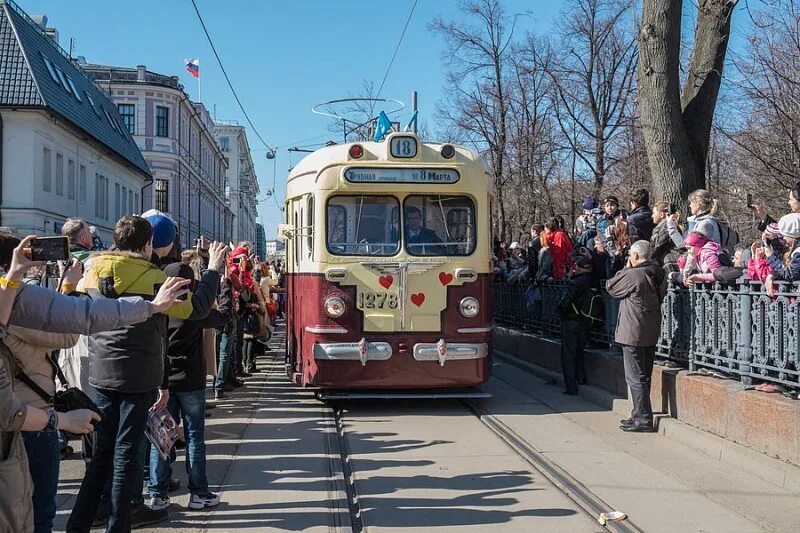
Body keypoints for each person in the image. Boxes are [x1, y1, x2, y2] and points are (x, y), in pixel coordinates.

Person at [0, 235, 189, 533]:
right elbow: (73, 328)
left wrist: (14, 277)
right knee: (37, 515)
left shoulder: (17, 292)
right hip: (31, 419)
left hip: (98, 377)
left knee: (101, 455)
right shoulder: (17, 299)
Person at [67, 216, 195, 533]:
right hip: (139, 376)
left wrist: (68, 283)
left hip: (101, 372)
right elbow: (187, 310)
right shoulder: (155, 276)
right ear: (147, 245)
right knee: (126, 456)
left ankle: (77, 525)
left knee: (100, 456)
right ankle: (117, 526)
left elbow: (74, 307)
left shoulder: (93, 269)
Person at [149, 242, 230, 512]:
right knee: (195, 438)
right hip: (192, 382)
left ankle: (157, 494)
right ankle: (199, 492)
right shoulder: (194, 310)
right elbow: (223, 318)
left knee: (161, 439)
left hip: (163, 383)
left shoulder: (157, 309)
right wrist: (222, 280)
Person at [606, 240, 667, 433]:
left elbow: (611, 286)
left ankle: (643, 418)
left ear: (635, 256)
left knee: (635, 377)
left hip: (633, 330)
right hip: (650, 328)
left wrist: (625, 267)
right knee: (644, 375)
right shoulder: (657, 272)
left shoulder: (634, 274)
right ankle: (637, 413)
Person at [556, 248, 596, 395]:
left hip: (571, 320)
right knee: (580, 350)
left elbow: (566, 301)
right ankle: (581, 378)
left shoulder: (575, 283)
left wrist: (560, 312)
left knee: (569, 354)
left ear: (578, 268)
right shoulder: (593, 281)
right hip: (586, 321)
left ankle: (571, 387)